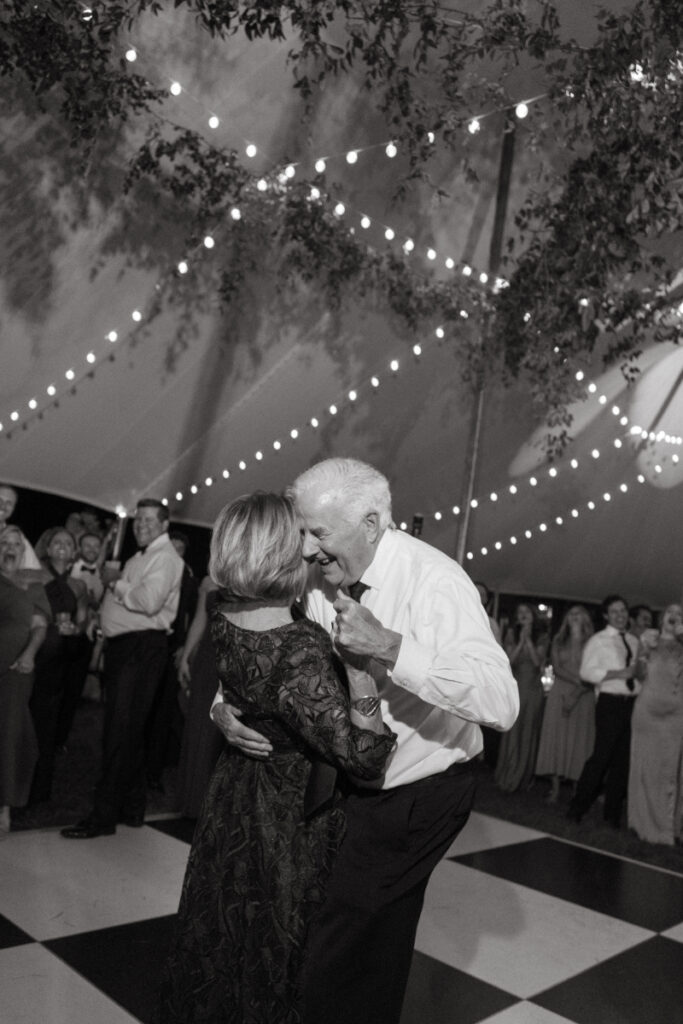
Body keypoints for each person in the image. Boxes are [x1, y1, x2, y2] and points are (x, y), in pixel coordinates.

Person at [212, 458, 518, 1024]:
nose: (304, 550)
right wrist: (223, 705)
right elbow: (267, 639)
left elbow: (501, 702)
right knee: (331, 929)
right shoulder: (317, 572)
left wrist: (391, 647)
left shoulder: (436, 581)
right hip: (346, 778)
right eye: (302, 531)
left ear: (373, 523)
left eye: (318, 534)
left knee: (348, 940)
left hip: (417, 792)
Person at [156, 492, 396, 1023]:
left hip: (235, 793)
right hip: (286, 813)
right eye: (303, 539)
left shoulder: (224, 612)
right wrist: (360, 674)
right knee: (277, 946)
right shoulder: (298, 647)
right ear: (282, 553)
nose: (313, 549)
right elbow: (364, 757)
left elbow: (240, 686)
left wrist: (223, 709)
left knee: (224, 932)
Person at [61, 499, 184, 838]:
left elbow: (148, 602)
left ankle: (102, 817)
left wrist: (115, 582)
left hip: (140, 651)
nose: (140, 525)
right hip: (128, 649)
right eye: (137, 520)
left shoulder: (165, 558)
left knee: (120, 731)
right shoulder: (141, 555)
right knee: (130, 731)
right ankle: (132, 808)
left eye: (147, 520)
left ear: (163, 524)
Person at [567, 594, 640, 827]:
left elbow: (637, 673)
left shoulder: (635, 641)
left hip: (632, 703)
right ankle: (577, 808)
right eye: (615, 611)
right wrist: (618, 674)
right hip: (610, 703)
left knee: (622, 761)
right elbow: (586, 673)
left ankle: (612, 814)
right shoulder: (598, 640)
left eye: (623, 611)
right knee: (601, 757)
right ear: (607, 615)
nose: (620, 615)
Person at [28, 527, 90, 802]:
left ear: (74, 551)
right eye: (57, 542)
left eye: (68, 542)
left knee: (46, 723)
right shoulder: (32, 574)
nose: (63, 546)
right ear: (47, 547)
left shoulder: (79, 585)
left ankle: (37, 790)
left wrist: (75, 629)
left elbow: (83, 619)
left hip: (59, 659)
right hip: (31, 652)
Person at [0, 526, 50, 835]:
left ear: (24, 550)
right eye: (4, 542)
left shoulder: (34, 583)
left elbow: (39, 626)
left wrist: (30, 655)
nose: (10, 547)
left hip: (17, 668)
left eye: (16, 543)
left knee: (9, 732)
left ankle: (4, 805)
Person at [145, 530, 199, 790]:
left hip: (172, 649)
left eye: (180, 548)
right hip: (150, 646)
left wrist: (183, 648)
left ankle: (153, 771)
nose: (175, 553)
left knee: (165, 710)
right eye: (171, 547)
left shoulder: (189, 577)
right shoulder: (152, 569)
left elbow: (190, 615)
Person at [627, 603, 683, 845]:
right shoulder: (649, 639)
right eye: (670, 611)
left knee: (670, 770)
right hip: (647, 711)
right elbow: (638, 674)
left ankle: (669, 827)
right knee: (646, 767)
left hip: (676, 714)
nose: (674, 615)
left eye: (680, 613)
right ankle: (643, 825)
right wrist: (642, 652)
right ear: (662, 618)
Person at [174, 574, 224, 818]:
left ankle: (213, 804)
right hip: (205, 658)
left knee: (216, 729)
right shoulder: (208, 580)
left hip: (229, 657)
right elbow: (198, 620)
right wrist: (185, 657)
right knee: (197, 727)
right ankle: (192, 802)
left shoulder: (249, 575)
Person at [535, 605, 595, 803]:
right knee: (556, 737)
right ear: (566, 619)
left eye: (579, 613)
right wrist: (579, 681)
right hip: (560, 692)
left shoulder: (593, 643)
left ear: (585, 618)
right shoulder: (559, 640)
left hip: (584, 696)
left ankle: (579, 787)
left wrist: (580, 689)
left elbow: (595, 672)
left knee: (580, 740)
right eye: (571, 614)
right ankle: (555, 788)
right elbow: (557, 668)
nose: (575, 617)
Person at [495, 602, 549, 793]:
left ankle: (523, 777)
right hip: (515, 687)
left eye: (527, 612)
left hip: (533, 690)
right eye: (520, 612)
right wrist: (520, 641)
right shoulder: (511, 634)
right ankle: (507, 774)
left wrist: (528, 641)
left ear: (533, 616)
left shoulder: (542, 637)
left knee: (528, 731)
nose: (523, 615)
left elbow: (536, 662)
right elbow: (508, 661)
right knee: (513, 729)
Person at [0, 484, 41, 569]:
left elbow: (34, 570)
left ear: (13, 508)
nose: (3, 506)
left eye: (9, 503)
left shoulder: (17, 537)